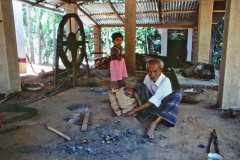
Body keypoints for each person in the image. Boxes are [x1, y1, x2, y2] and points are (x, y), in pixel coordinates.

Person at [123, 59, 182, 138]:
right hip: (151, 106)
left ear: (160, 70)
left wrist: (133, 110)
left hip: (163, 108)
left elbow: (152, 101)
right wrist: (134, 90)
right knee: (138, 84)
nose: (152, 74)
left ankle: (154, 123)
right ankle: (147, 112)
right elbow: (144, 89)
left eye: (155, 71)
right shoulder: (148, 76)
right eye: (149, 71)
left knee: (178, 93)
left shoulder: (165, 81)